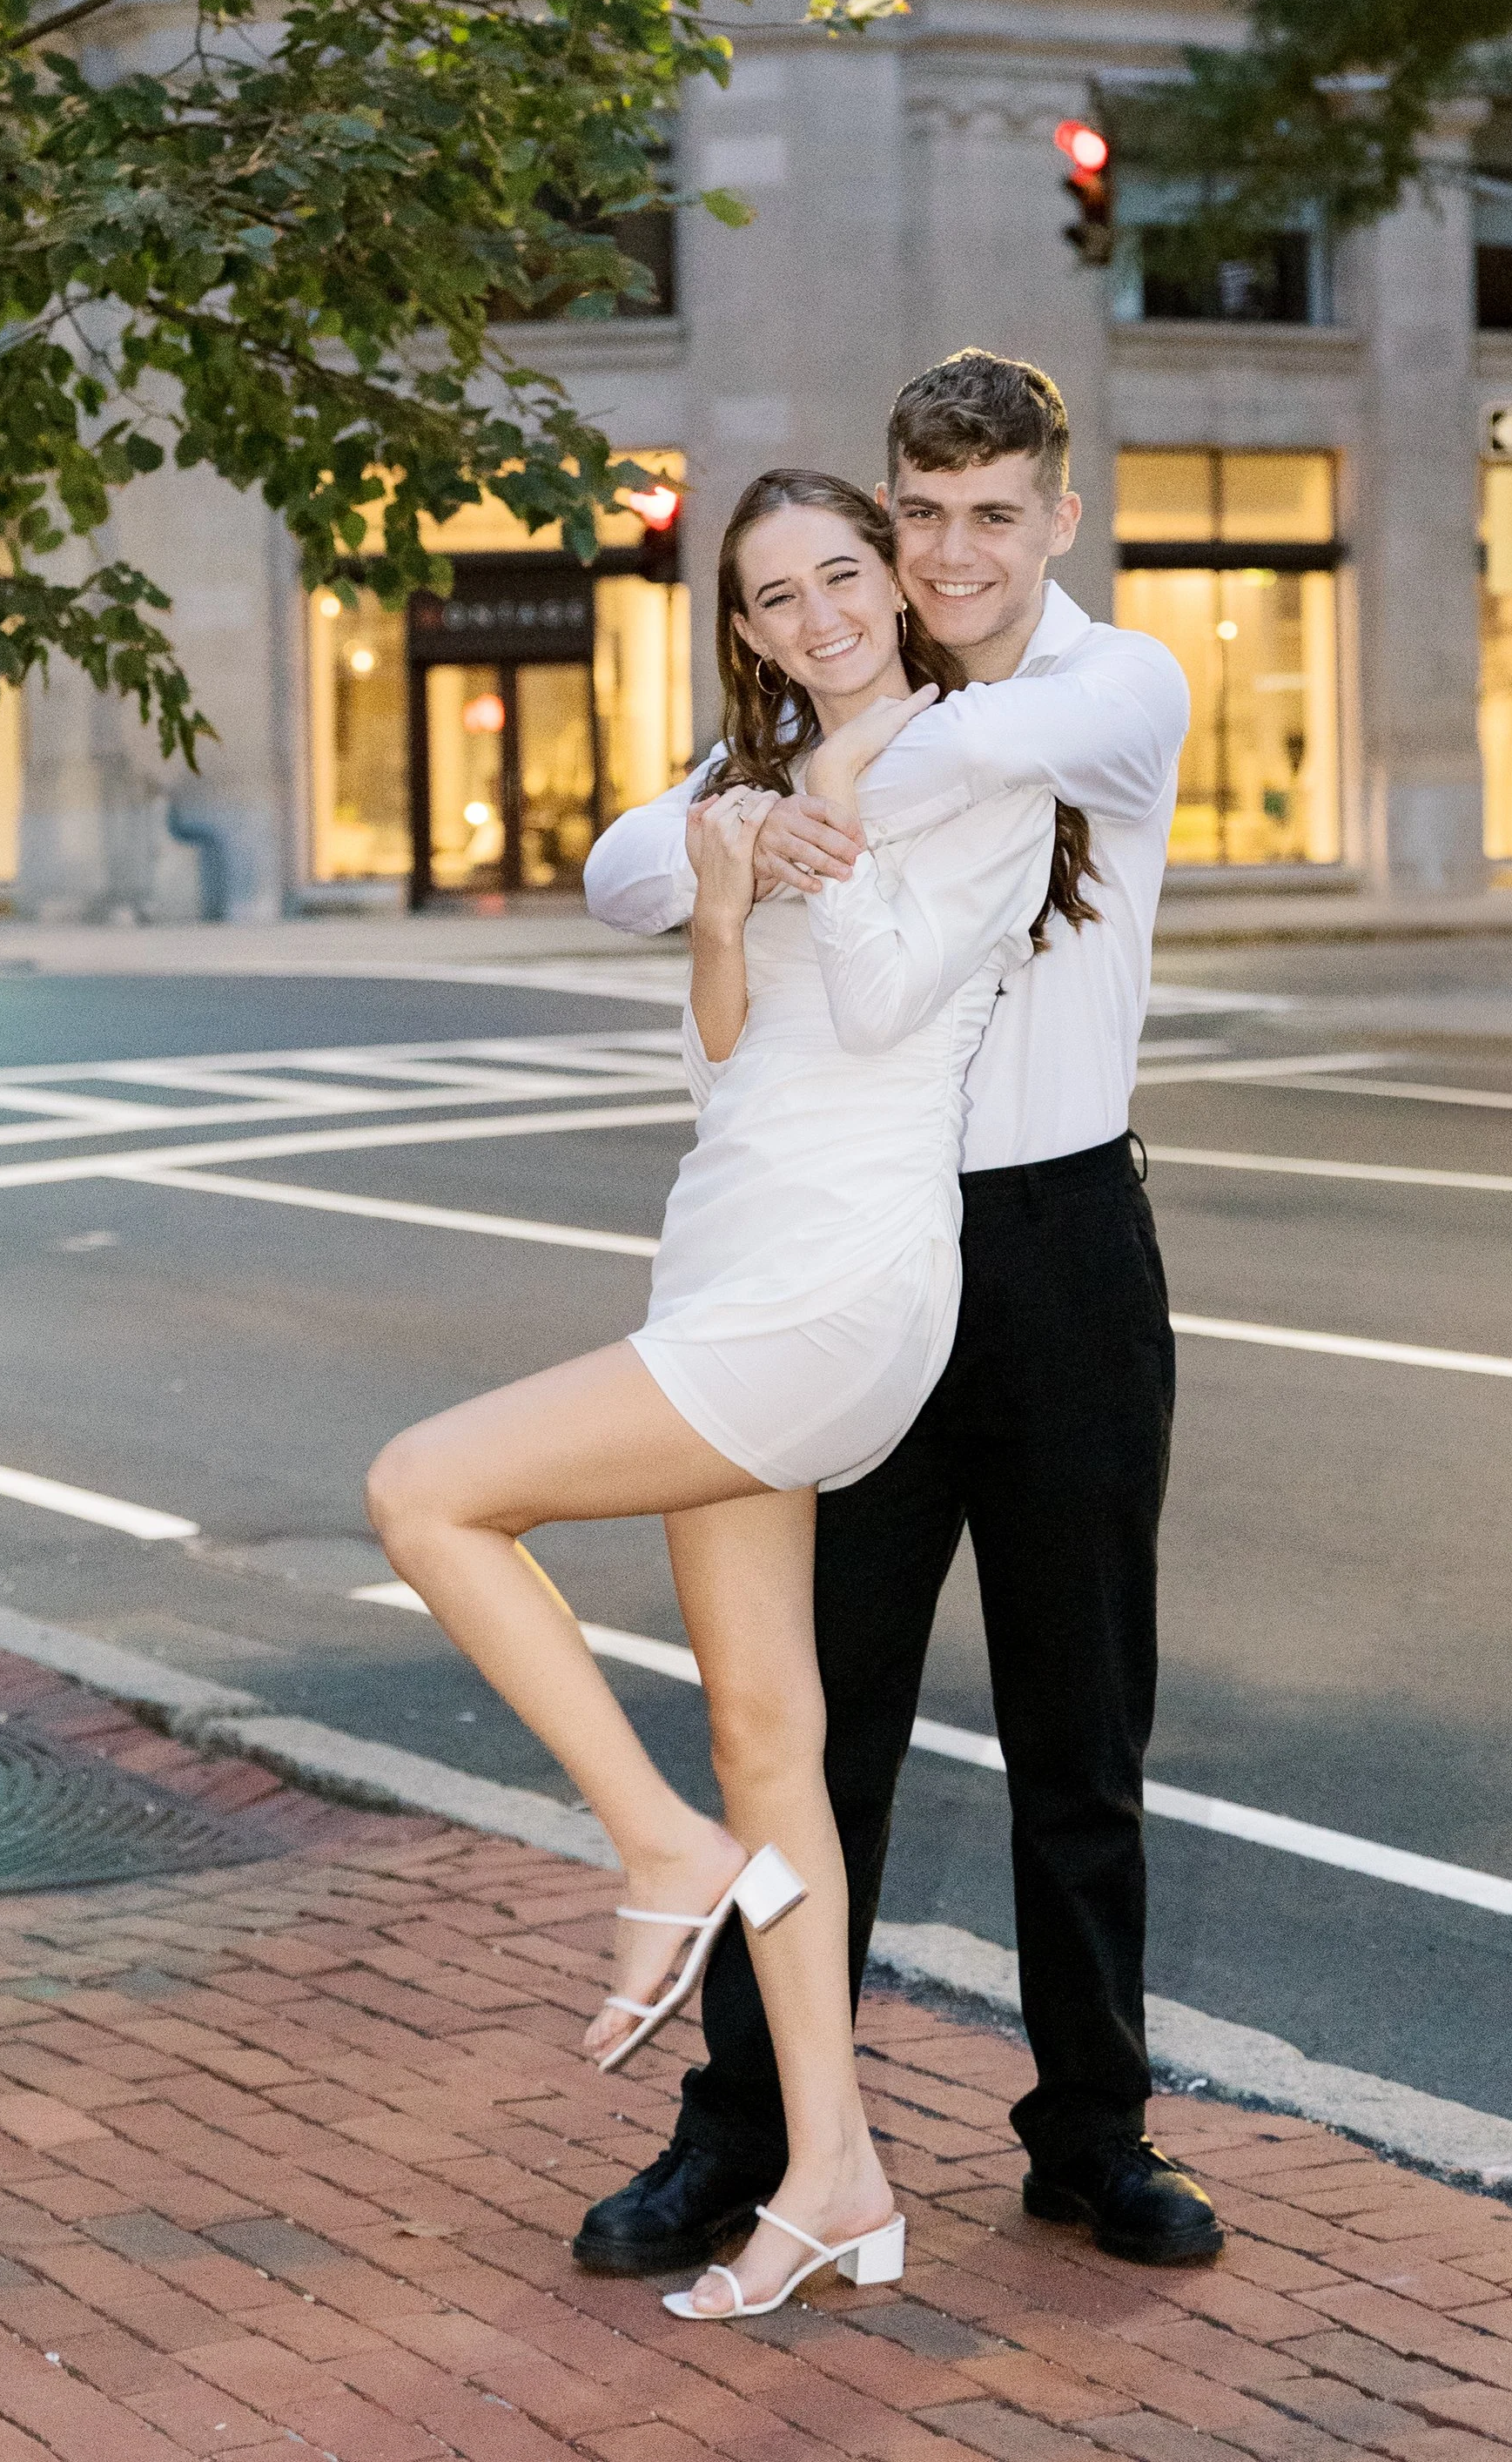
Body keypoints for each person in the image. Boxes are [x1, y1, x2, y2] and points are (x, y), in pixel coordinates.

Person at [366, 464, 1079, 2321]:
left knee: (424, 1488)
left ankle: (655, 1847)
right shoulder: (741, 788)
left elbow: (880, 1009)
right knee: (771, 1739)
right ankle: (834, 2173)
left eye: (843, 574)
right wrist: (720, 877)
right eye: (776, 597)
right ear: (746, 631)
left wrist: (826, 804)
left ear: (895, 586)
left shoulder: (982, 775)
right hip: (725, 1255)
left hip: (840, 1283)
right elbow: (724, 1053)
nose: (819, 614)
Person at [578, 349, 1224, 2275]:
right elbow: (620, 868)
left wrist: (788, 795)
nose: (953, 553)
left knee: (1078, 1726)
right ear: (884, 516)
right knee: (809, 1720)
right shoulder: (831, 708)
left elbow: (952, 764)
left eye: (992, 515)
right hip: (858, 1262)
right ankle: (746, 2128)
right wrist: (753, 812)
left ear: (1057, 517)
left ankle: (1092, 2132)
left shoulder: (1113, 686)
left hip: (1060, 1249)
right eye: (919, 515)